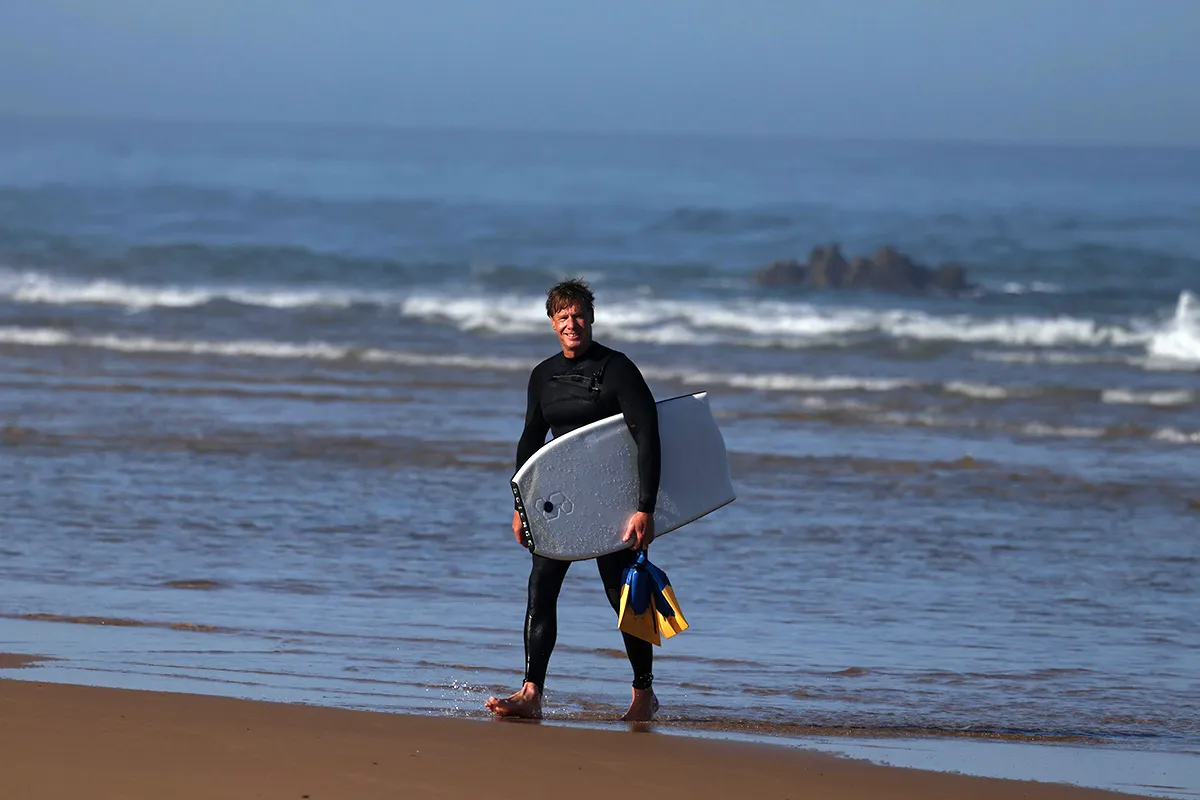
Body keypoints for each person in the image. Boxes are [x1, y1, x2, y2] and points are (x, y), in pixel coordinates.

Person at [485, 278, 662, 722]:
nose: (572, 323)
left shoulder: (618, 368)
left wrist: (645, 507)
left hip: (613, 499)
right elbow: (530, 441)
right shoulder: (542, 376)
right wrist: (520, 505)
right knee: (541, 588)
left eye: (579, 314)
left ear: (592, 317)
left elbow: (649, 438)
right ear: (551, 322)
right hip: (560, 500)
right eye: (563, 316)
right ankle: (531, 692)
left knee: (620, 594)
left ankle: (644, 694)